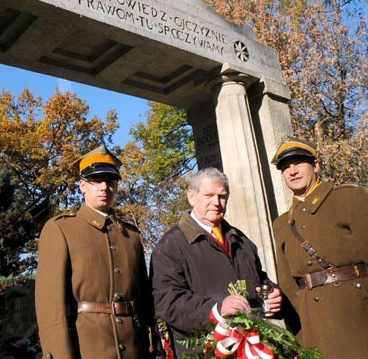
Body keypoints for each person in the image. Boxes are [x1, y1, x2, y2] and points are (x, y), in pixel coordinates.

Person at [270, 136, 368, 359]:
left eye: (299, 162)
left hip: (360, 321)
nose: (292, 171)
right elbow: (290, 288)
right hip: (313, 332)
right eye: (286, 167)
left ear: (316, 165)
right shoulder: (282, 224)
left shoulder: (348, 199)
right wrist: (298, 337)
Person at [35, 145, 157, 359]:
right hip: (88, 349)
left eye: (110, 181)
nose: (104, 187)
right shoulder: (61, 230)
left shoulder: (131, 236)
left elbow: (144, 302)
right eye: (96, 180)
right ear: (82, 185)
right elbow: (51, 309)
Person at [150, 167, 283, 359]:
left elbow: (259, 280)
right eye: (209, 195)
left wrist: (271, 294)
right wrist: (216, 309)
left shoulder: (242, 241)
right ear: (191, 197)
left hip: (250, 349)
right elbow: (166, 303)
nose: (216, 202)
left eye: (222, 196)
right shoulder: (170, 246)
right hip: (203, 351)